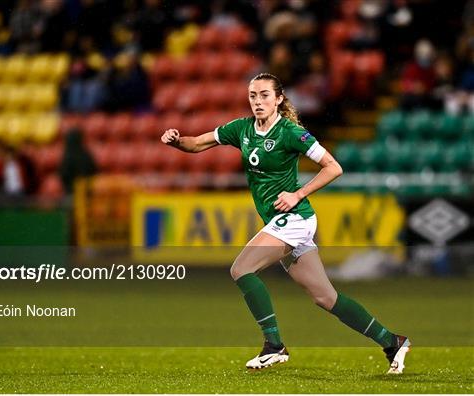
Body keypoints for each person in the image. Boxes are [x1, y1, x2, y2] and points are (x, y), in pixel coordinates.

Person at [160, 73, 410, 374]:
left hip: (294, 219)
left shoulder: (291, 133)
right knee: (325, 297)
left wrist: (298, 193)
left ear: (278, 98)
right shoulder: (240, 129)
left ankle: (274, 346)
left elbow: (334, 167)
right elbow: (197, 144)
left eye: (264, 95)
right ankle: (392, 341)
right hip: (284, 221)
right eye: (253, 95)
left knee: (241, 269)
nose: (258, 101)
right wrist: (177, 142)